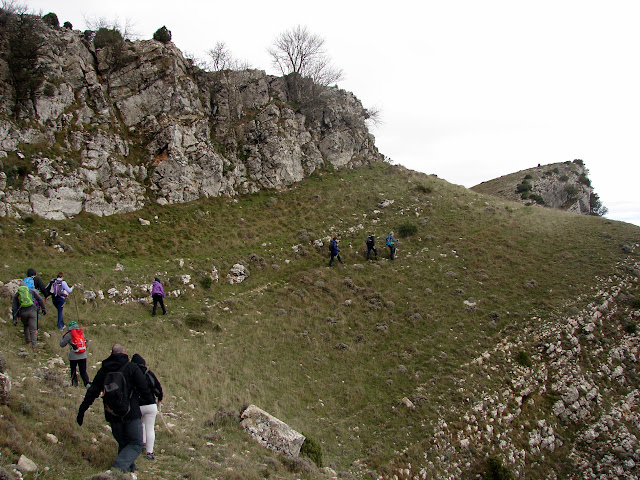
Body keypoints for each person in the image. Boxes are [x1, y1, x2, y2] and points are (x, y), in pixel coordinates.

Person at [77, 344, 154, 476]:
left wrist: (82, 410)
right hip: (131, 414)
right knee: (135, 444)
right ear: (124, 353)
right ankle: (116, 471)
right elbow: (144, 388)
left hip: (112, 414)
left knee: (123, 442)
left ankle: (130, 469)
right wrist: (148, 402)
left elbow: (92, 391)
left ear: (111, 353)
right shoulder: (131, 367)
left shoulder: (104, 370)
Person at [131, 354, 163, 460]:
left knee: (141, 425)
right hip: (151, 404)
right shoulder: (148, 373)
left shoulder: (131, 374)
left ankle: (142, 444)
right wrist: (160, 398)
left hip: (137, 405)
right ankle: (150, 452)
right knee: (150, 428)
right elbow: (158, 387)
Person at [12, 281, 46, 355]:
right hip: (32, 311)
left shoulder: (17, 294)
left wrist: (14, 318)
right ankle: (34, 347)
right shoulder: (31, 291)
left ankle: (28, 341)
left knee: (26, 325)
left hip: (23, 312)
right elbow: (40, 299)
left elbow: (14, 307)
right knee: (33, 329)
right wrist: (43, 309)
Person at [60, 321, 90, 387]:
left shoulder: (68, 334)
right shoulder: (81, 333)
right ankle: (87, 383)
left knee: (73, 371)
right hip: (83, 355)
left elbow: (62, 344)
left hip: (73, 356)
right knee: (83, 371)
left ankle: (75, 385)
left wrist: (62, 337)